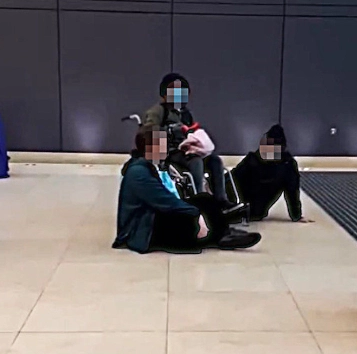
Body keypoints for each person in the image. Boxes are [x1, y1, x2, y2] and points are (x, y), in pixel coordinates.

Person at [113, 127, 261, 253]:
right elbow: (164, 201)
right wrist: (196, 214)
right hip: (141, 230)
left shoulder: (148, 166)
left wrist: (195, 210)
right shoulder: (139, 172)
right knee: (189, 227)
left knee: (205, 199)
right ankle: (216, 236)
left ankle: (223, 233)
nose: (166, 149)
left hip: (149, 217)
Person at [141, 73, 230, 205]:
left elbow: (191, 130)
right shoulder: (158, 111)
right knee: (196, 162)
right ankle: (199, 200)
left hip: (188, 149)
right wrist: (170, 131)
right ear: (165, 94)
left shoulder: (186, 113)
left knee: (215, 161)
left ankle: (221, 200)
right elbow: (148, 131)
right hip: (170, 153)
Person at [231, 124, 307, 222]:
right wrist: (296, 215)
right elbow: (292, 192)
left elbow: (232, 179)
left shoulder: (253, 159)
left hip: (244, 206)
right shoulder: (288, 165)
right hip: (254, 210)